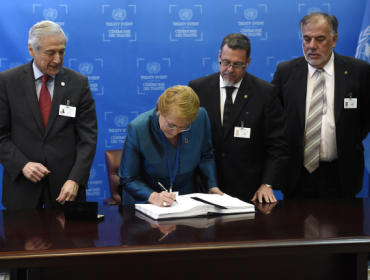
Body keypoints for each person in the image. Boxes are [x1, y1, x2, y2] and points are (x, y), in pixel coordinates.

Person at [271, 12, 370, 199]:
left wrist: (345, 140)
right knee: (295, 227)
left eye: (320, 39)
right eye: (306, 39)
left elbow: (365, 118)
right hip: (297, 173)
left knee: (344, 227)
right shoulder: (285, 72)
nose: (311, 46)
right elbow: (274, 118)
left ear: (334, 40)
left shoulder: (359, 70)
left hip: (341, 172)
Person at [0, 20, 98, 209]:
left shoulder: (79, 83)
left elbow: (88, 139)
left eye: (61, 51)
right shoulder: (7, 82)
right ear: (31, 50)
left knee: (70, 239)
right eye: (50, 53)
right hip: (22, 187)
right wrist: (22, 164)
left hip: (67, 188)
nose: (57, 59)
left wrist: (75, 180)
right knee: (22, 239)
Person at [188, 33, 289, 204]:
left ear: (247, 62)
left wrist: (267, 183)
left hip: (249, 189)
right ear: (219, 56)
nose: (229, 70)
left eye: (237, 65)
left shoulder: (266, 93)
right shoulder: (197, 89)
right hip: (205, 187)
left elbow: (278, 145)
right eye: (226, 62)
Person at [118, 85, 219, 206]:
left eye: (183, 127)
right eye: (170, 125)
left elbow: (206, 155)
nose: (175, 132)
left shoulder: (201, 118)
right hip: (146, 200)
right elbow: (128, 178)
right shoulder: (138, 129)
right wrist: (154, 197)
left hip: (186, 198)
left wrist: (211, 186)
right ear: (160, 111)